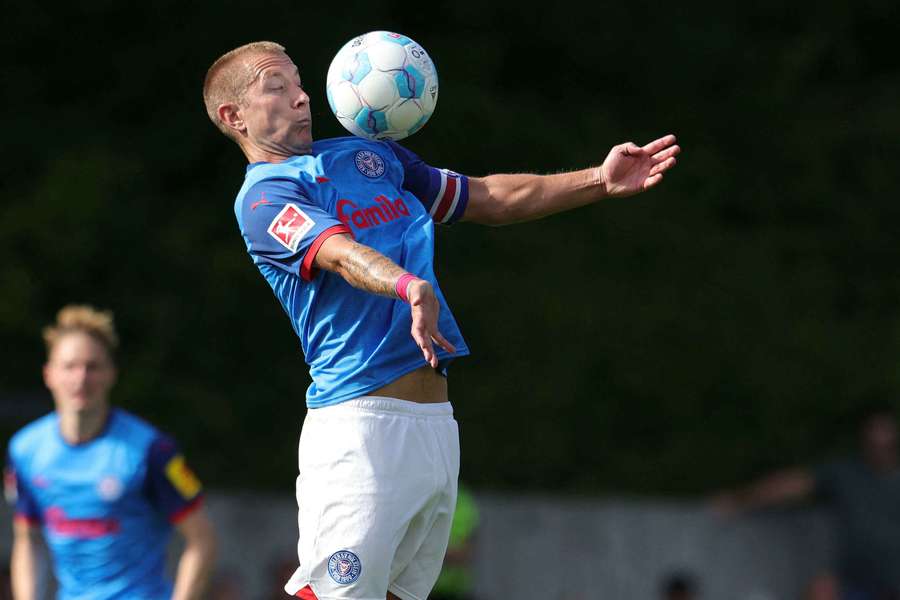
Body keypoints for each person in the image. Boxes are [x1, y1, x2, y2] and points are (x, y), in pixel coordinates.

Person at [203, 40, 679, 600]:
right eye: (276, 87)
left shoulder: (368, 157)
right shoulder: (264, 197)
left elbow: (491, 198)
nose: (302, 96)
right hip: (360, 427)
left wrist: (598, 180)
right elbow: (337, 252)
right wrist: (406, 285)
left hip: (434, 428)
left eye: (299, 81)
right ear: (233, 116)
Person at [4, 305, 217, 600]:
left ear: (110, 374)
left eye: (92, 367)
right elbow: (27, 539)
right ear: (48, 374)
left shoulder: (151, 450)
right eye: (70, 366)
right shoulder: (24, 450)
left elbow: (202, 539)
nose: (81, 378)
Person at [712, 403, 900, 600]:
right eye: (873, 436)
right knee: (821, 589)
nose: (880, 444)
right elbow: (791, 485)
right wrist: (740, 500)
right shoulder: (846, 474)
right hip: (855, 581)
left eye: (886, 437)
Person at [430, 483, 480, 600]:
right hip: (429, 589)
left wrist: (437, 553)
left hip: (456, 589)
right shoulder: (430, 496)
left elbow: (467, 552)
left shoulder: (465, 502)